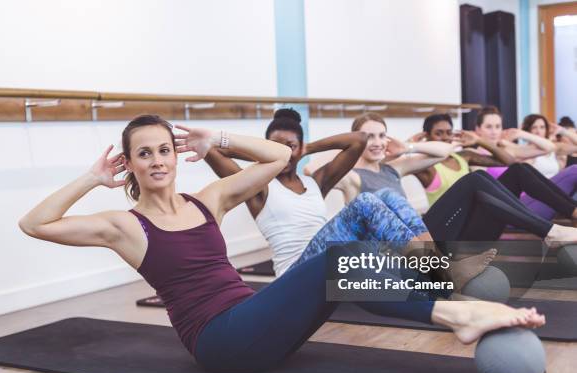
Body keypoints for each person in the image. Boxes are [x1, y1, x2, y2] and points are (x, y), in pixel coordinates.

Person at [19, 114, 544, 373]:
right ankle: (459, 316)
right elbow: (35, 224)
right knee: (338, 263)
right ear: (129, 164)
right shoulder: (125, 226)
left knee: (355, 252)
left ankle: (454, 300)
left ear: (176, 157)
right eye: (145, 154)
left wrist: (216, 139)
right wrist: (92, 178)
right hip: (220, 342)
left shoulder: (209, 199)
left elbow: (276, 157)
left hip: (258, 318)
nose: (158, 161)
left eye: (165, 150)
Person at [204, 109, 495, 288]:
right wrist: (267, 151)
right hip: (295, 275)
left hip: (329, 259)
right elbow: (213, 150)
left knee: (384, 195)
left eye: (291, 145)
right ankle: (444, 272)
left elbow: (357, 141)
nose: (285, 152)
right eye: (276, 146)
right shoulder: (258, 187)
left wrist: (306, 148)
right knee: (366, 203)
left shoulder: (314, 182)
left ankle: (440, 267)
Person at [306, 113, 577, 248]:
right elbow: (310, 170)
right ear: (356, 140)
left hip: (435, 239)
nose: (376, 142)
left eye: (381, 136)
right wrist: (349, 148)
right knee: (476, 180)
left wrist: (408, 148)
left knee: (519, 172)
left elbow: (446, 151)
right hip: (407, 252)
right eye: (368, 137)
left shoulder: (395, 169)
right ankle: (549, 232)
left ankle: (570, 216)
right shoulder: (352, 177)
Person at [418, 112, 577, 221]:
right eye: (439, 133)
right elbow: (397, 165)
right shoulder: (425, 167)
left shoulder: (463, 157)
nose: (445, 137)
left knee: (520, 169)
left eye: (448, 132)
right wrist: (412, 146)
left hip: (497, 207)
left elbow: (510, 163)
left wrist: (480, 141)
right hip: (467, 217)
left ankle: (573, 211)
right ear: (426, 135)